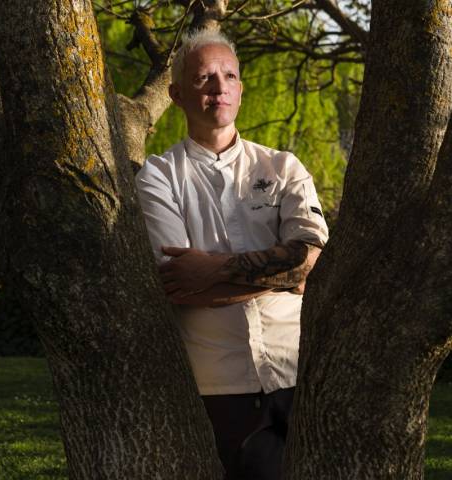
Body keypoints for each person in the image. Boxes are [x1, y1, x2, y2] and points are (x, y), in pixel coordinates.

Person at [134, 29, 329, 480]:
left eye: (229, 75)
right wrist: (286, 273)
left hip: (300, 369)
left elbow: (311, 262)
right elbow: (179, 284)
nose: (219, 87)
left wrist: (212, 270)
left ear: (241, 88)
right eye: (204, 78)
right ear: (177, 95)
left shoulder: (283, 168)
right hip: (222, 384)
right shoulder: (159, 177)